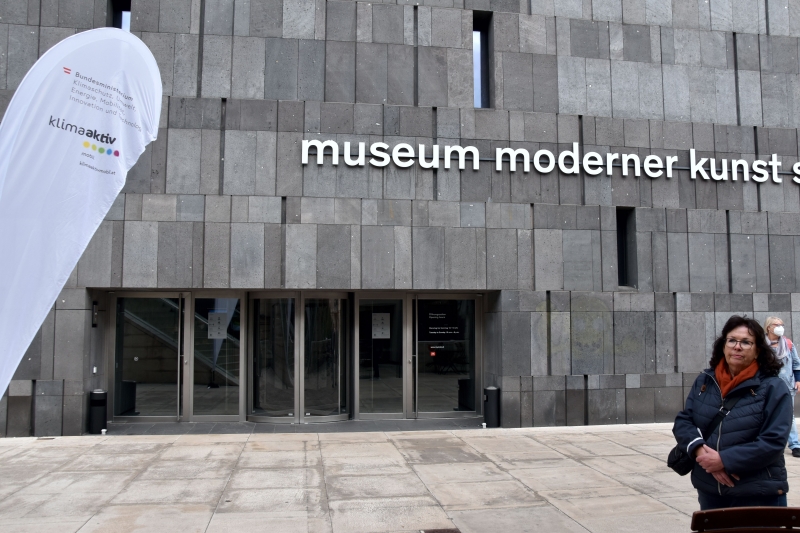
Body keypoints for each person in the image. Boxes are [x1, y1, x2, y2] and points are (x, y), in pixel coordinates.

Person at [673, 315, 793, 510]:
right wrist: (700, 451)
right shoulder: (705, 381)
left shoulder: (773, 388)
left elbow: (774, 441)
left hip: (757, 492)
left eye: (746, 342)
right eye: (732, 340)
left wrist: (724, 461)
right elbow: (684, 421)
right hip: (710, 489)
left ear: (758, 351)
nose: (737, 347)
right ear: (723, 346)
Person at [764, 316, 800, 457]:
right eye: (776, 324)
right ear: (769, 327)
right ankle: (768, 443)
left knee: (789, 415)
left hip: (787, 385)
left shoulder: (788, 344)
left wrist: (798, 380)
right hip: (767, 385)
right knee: (767, 414)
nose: (780, 327)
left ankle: (795, 445)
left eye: (782, 324)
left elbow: (796, 363)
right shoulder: (761, 345)